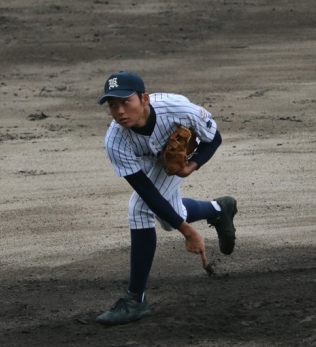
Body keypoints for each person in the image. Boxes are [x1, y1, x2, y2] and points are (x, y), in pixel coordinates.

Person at [95, 71, 237, 326]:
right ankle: (219, 209)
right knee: (171, 219)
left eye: (126, 101)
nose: (119, 111)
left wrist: (191, 166)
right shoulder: (115, 141)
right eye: (113, 105)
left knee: (139, 209)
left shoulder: (180, 110)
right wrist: (187, 231)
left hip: (173, 161)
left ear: (144, 99)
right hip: (150, 161)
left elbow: (213, 138)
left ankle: (135, 300)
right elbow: (147, 190)